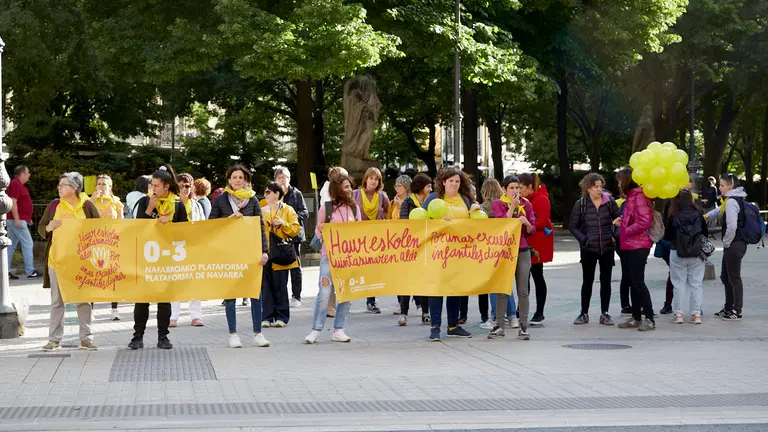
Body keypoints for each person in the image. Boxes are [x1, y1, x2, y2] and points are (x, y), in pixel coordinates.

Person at [38, 172, 100, 351]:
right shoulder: (54, 205)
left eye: (63, 185)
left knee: (83, 299)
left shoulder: (87, 206)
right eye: (59, 184)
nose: (59, 187)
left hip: (82, 262)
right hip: (57, 260)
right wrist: (48, 228)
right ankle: (54, 339)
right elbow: (41, 226)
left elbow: (100, 228)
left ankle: (86, 339)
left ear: (74, 188)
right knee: (57, 301)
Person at [210, 165, 270, 348]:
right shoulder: (221, 200)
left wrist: (264, 251)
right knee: (231, 294)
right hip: (229, 253)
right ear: (229, 180)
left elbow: (260, 225)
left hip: (250, 252)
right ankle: (233, 334)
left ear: (245, 180)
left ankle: (258, 333)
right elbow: (211, 224)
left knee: (255, 294)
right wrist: (228, 220)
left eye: (241, 177)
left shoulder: (252, 200)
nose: (237, 180)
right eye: (234, 177)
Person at [130, 165, 189, 350]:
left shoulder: (178, 205)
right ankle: (137, 337)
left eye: (156, 185)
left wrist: (169, 226)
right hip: (146, 258)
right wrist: (150, 212)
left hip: (167, 259)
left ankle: (163, 336)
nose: (152, 189)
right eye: (151, 185)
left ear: (166, 186)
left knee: (164, 300)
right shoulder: (144, 202)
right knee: (142, 299)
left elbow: (185, 232)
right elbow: (136, 229)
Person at [423, 167, 481, 341]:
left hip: (460, 252)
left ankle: (453, 325)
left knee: (455, 288)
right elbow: (421, 222)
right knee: (437, 288)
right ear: (443, 182)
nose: (454, 184)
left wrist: (476, 211)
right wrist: (438, 222)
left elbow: (476, 223)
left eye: (457, 181)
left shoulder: (465, 199)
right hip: (438, 252)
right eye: (451, 181)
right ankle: (435, 326)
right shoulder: (434, 199)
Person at [304, 174, 360, 344]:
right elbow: (317, 233)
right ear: (337, 189)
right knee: (324, 293)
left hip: (348, 258)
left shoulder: (354, 208)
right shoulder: (326, 208)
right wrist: (320, 229)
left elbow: (360, 231)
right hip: (328, 256)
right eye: (345, 187)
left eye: (350, 186)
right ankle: (316, 329)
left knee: (345, 293)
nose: (349, 190)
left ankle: (339, 329)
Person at [569, 173, 620, 326]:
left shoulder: (609, 202)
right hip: (588, 248)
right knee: (588, 281)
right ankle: (584, 313)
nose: (599, 189)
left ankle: (605, 313)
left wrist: (614, 237)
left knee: (606, 281)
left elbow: (620, 220)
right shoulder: (581, 204)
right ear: (588, 188)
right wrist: (584, 239)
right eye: (595, 186)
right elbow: (573, 226)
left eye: (600, 186)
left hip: (607, 247)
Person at [489, 175, 534, 340]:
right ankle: (499, 325)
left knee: (523, 290)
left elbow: (532, 230)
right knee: (503, 289)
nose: (515, 191)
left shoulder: (526, 204)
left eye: (517, 188)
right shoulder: (498, 204)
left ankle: (523, 326)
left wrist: (527, 225)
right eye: (512, 188)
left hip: (522, 249)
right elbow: (502, 224)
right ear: (504, 189)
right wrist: (512, 207)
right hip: (505, 251)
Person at [705, 173, 748, 321]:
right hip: (734, 244)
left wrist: (726, 243)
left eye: (722, 185)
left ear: (731, 186)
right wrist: (706, 216)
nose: (720, 188)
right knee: (726, 276)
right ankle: (728, 308)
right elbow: (718, 211)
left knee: (734, 277)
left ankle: (737, 310)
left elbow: (732, 226)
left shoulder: (731, 202)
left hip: (734, 244)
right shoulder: (730, 200)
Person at [617, 168, 656, 331]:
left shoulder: (639, 196)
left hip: (638, 245)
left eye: (619, 180)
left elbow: (645, 222)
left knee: (638, 282)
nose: (618, 184)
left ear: (626, 181)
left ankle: (649, 318)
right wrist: (623, 221)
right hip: (629, 244)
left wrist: (625, 229)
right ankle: (636, 317)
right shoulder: (631, 197)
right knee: (633, 282)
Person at [664, 189, 707, 324]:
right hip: (696, 252)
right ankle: (696, 314)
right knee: (696, 283)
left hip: (677, 251)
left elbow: (667, 236)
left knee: (678, 284)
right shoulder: (698, 214)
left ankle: (678, 314)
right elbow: (705, 233)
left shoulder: (673, 215)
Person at [261, 181, 301, 328]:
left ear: (277, 194)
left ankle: (282, 317)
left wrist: (283, 223)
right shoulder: (261, 209)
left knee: (280, 286)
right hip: (265, 253)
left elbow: (296, 229)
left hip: (281, 253)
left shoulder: (288, 210)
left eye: (268, 192)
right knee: (266, 286)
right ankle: (266, 317)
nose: (265, 194)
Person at [169, 173, 206, 328]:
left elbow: (203, 225)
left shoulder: (196, 205)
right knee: (174, 281)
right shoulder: (171, 203)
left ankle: (196, 315)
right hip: (175, 247)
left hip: (193, 246)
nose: (185, 189)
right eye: (181, 185)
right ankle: (173, 316)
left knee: (194, 280)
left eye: (188, 186)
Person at [353, 167, 390, 314]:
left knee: (372, 269)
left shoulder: (382, 196)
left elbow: (389, 211)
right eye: (371, 178)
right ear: (366, 179)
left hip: (376, 238)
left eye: (377, 179)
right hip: (358, 237)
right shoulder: (355, 194)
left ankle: (371, 301)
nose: (374, 181)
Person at [397, 173, 432, 325]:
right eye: (428, 186)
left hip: (427, 247)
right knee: (408, 281)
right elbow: (404, 223)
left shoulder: (431, 202)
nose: (430, 189)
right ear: (421, 187)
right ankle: (404, 313)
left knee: (425, 281)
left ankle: (425, 312)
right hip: (411, 247)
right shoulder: (407, 203)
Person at [519, 173, 553, 326]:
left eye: (521, 188)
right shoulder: (523, 200)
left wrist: (526, 224)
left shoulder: (541, 199)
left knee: (537, 276)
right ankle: (521, 310)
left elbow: (542, 221)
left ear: (530, 186)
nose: (519, 191)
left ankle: (540, 312)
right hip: (525, 241)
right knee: (523, 277)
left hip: (537, 243)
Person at [90, 174, 125, 321]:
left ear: (110, 187)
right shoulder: (90, 201)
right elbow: (84, 217)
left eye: (104, 184)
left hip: (111, 242)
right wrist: (91, 200)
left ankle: (114, 309)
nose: (101, 186)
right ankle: (90, 310)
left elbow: (121, 222)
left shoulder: (116, 202)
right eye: (99, 184)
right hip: (94, 242)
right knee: (93, 276)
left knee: (112, 276)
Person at [273, 166, 308, 308]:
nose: (283, 180)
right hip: (277, 236)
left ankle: (296, 295)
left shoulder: (296, 193)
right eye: (280, 177)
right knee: (279, 266)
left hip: (293, 235)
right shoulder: (273, 193)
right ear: (275, 179)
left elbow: (305, 213)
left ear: (289, 179)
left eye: (285, 177)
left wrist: (290, 219)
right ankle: (280, 296)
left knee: (295, 266)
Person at [477, 179, 504, 328]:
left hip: (486, 251)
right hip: (503, 248)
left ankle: (490, 315)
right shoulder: (503, 206)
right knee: (503, 283)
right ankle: (507, 314)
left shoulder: (482, 209)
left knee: (488, 285)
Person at [7, 165, 40, 279]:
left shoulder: (19, 185)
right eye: (28, 172)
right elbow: (13, 202)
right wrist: (17, 219)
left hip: (18, 219)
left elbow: (21, 203)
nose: (29, 174)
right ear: (22, 174)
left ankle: (5, 271)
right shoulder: (15, 184)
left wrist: (27, 217)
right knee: (28, 244)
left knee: (10, 246)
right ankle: (30, 272)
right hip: (17, 220)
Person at [614, 170, 632, 316]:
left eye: (620, 180)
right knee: (630, 274)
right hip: (625, 241)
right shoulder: (625, 202)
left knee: (628, 273)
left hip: (627, 241)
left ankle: (626, 304)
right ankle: (626, 304)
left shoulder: (630, 201)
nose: (618, 184)